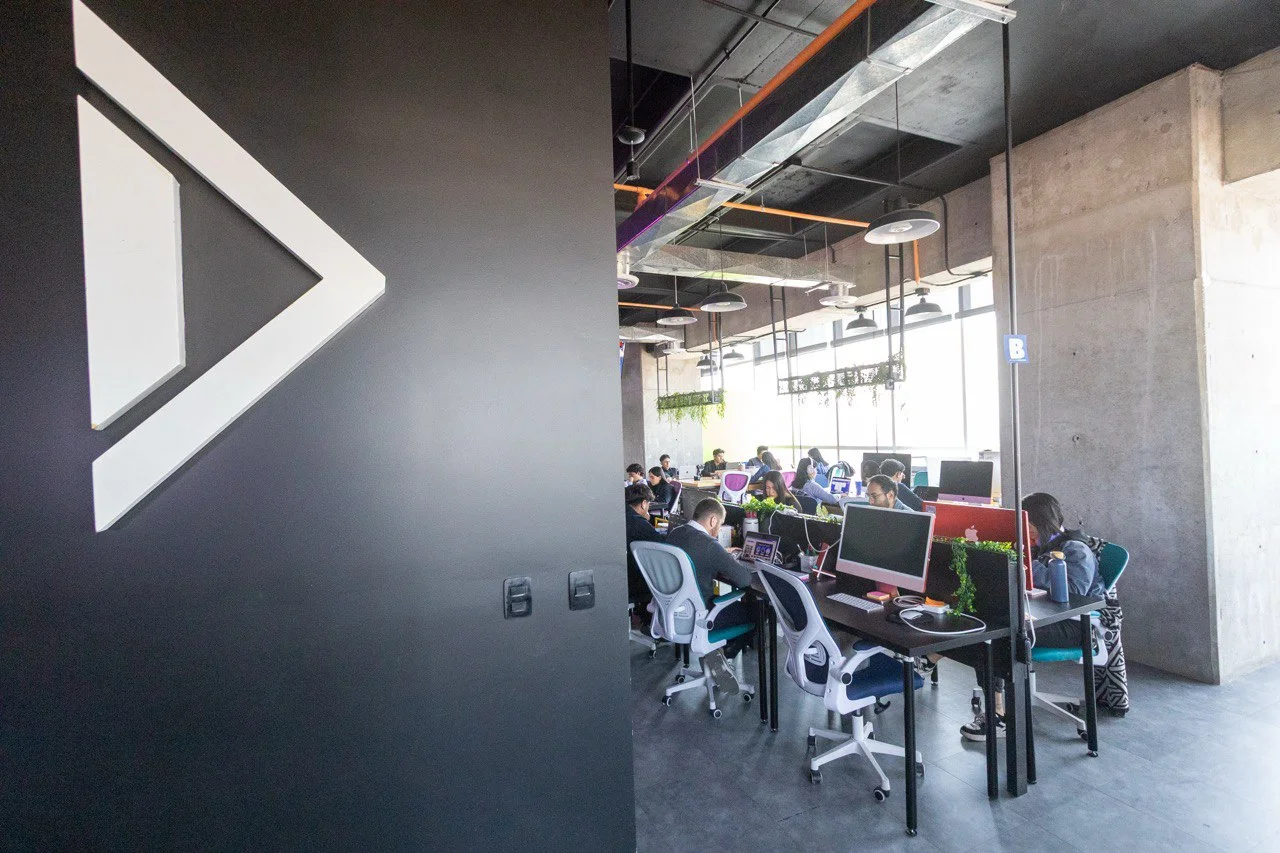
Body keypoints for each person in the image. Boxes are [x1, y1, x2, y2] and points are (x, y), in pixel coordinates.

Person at [959, 491, 1106, 742]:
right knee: (986, 625)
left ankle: (997, 716)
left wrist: (1026, 563)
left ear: (1044, 522)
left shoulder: (1075, 548)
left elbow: (1073, 593)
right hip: (1043, 617)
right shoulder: (1040, 546)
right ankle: (995, 706)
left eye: (1029, 525)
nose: (1026, 531)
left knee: (998, 634)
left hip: (1075, 626)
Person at [666, 498, 756, 694]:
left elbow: (695, 556)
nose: (719, 529)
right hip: (702, 617)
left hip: (672, 612)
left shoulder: (675, 533)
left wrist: (721, 553)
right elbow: (744, 579)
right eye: (720, 524)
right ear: (713, 520)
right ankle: (721, 655)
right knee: (755, 612)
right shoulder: (709, 544)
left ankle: (715, 655)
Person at [624, 483, 664, 614]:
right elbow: (662, 547)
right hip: (636, 583)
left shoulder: (621, 515)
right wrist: (645, 521)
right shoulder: (639, 524)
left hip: (622, 575)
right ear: (643, 503)